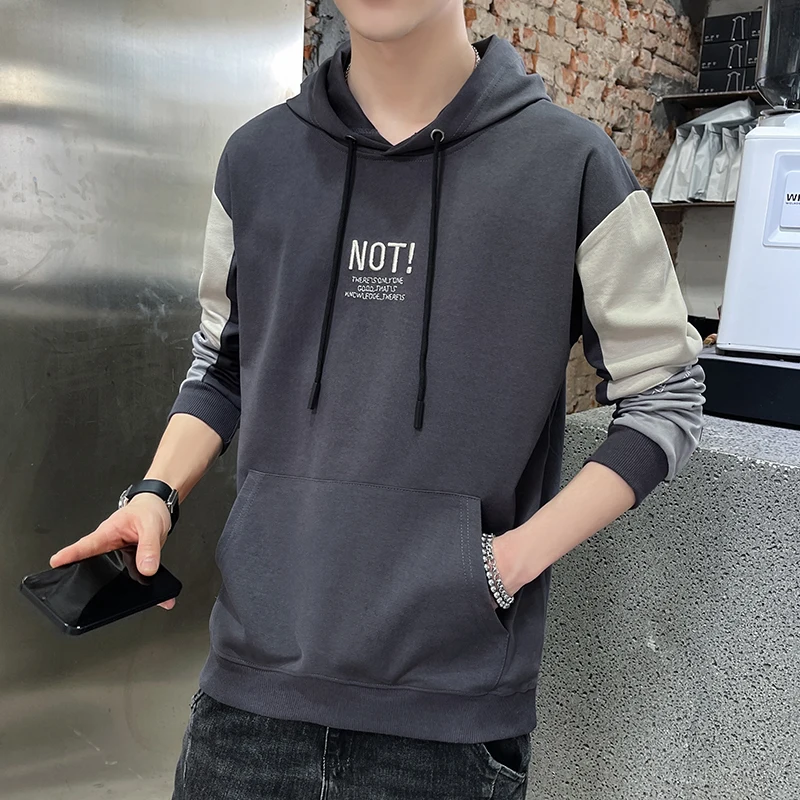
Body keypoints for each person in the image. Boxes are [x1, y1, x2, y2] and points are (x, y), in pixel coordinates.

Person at [50, 0, 705, 797]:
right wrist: (156, 493)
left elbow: (665, 393)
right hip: (246, 704)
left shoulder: (572, 164)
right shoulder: (255, 160)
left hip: (450, 725)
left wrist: (500, 567)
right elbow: (223, 365)